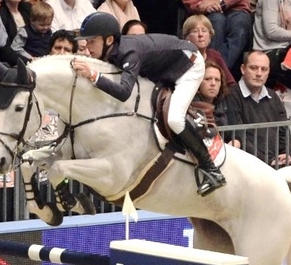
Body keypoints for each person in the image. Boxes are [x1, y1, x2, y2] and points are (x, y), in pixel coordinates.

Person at [71, 12, 226, 196]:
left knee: (175, 119)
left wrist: (93, 75)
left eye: (91, 41)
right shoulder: (114, 51)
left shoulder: (129, 53)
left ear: (109, 40)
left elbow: (123, 93)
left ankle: (211, 169)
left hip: (189, 67)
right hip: (165, 67)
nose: (87, 46)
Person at [224, 51, 290, 165]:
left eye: (264, 69)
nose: (259, 73)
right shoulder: (231, 95)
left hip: (276, 162)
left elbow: (284, 130)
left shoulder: (273, 96)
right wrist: (267, 162)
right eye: (253, 68)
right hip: (248, 165)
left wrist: (288, 153)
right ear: (243, 69)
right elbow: (239, 136)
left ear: (268, 72)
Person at [181, 0, 253, 75]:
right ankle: (214, 73)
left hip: (236, 6)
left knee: (240, 25)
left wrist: (220, 2)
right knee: (217, 20)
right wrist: (200, 5)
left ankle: (214, 73)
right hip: (205, 8)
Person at [196, 59, 239, 147]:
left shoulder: (226, 102)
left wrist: (234, 144)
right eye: (208, 79)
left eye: (217, 80)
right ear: (198, 82)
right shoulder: (191, 105)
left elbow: (237, 132)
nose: (213, 83)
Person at [182, 15, 235, 86]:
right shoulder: (182, 57)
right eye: (195, 31)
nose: (200, 34)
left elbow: (230, 82)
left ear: (210, 36)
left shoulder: (214, 55)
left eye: (204, 31)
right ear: (187, 37)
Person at [0, 0, 32, 66]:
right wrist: (29, 60)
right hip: (12, 63)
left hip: (34, 57)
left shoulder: (28, 7)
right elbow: (4, 51)